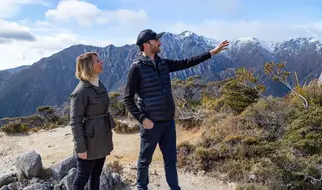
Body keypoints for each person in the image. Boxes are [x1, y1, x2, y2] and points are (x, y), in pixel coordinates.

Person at [123, 29, 229, 190]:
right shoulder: (136, 68)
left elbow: (187, 62)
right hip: (151, 125)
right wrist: (143, 120)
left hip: (168, 123)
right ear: (146, 45)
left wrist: (211, 53)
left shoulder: (163, 63)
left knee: (171, 160)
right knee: (145, 161)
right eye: (156, 41)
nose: (160, 43)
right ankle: (141, 187)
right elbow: (127, 99)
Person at [70, 52, 115, 190]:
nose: (101, 63)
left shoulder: (97, 83)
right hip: (89, 140)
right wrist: (81, 148)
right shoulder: (80, 91)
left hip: (102, 136)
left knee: (96, 174)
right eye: (97, 61)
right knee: (82, 176)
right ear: (89, 66)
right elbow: (75, 122)